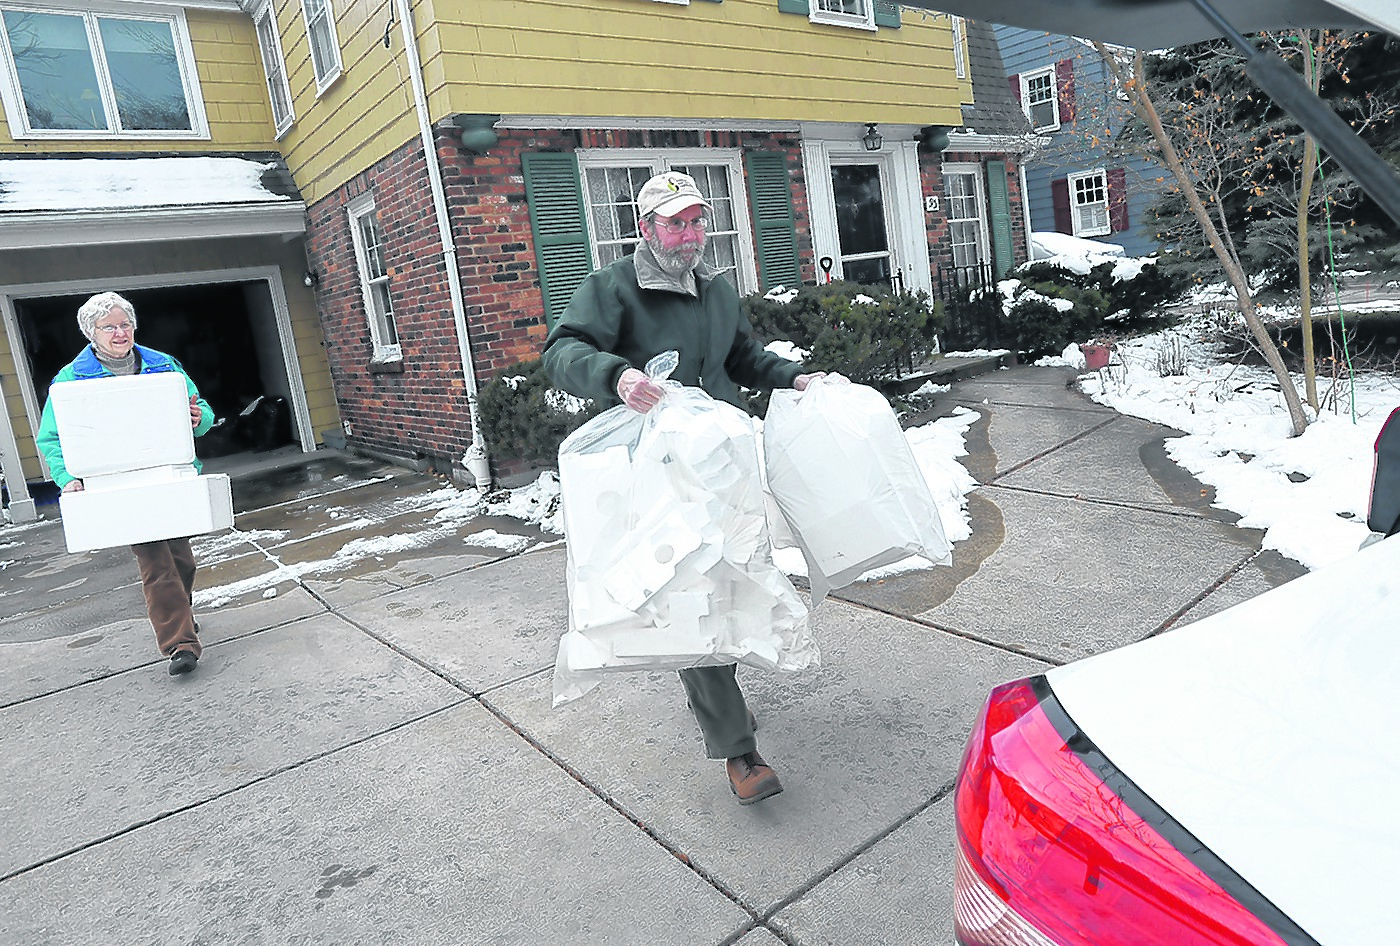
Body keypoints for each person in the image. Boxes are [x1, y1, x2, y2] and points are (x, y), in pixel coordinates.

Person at [543, 170, 827, 805]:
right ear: (646, 228)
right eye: (676, 222)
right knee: (689, 594)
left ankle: (720, 692)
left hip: (721, 462)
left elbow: (743, 358)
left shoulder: (717, 291)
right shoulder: (613, 288)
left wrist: (795, 379)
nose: (691, 233)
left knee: (730, 578)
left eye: (697, 220)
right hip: (659, 469)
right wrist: (615, 377)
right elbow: (561, 350)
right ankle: (738, 751)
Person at [35, 291, 215, 676]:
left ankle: (180, 614)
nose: (120, 333)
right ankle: (179, 644)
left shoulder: (163, 365)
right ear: (91, 333)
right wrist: (68, 478)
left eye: (125, 324)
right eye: (109, 327)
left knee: (181, 559)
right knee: (156, 562)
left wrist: (197, 417)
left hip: (167, 476)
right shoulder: (71, 379)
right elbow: (50, 438)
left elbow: (204, 411)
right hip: (117, 486)